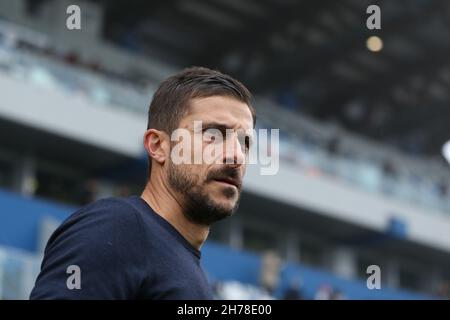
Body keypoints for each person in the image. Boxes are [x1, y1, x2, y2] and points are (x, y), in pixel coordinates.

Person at [30, 66, 256, 299]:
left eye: (245, 143)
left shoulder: (191, 273)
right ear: (158, 146)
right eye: (213, 134)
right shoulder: (116, 227)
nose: (236, 156)